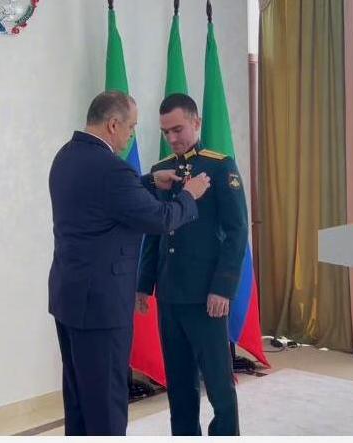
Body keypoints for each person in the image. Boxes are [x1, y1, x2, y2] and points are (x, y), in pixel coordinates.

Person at [48, 90, 211, 435]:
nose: (131, 136)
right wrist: (189, 194)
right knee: (106, 406)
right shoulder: (111, 169)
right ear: (113, 124)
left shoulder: (66, 156)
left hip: (69, 298)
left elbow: (100, 199)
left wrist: (148, 181)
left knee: (79, 402)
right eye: (132, 127)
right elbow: (160, 219)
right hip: (101, 307)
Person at [136, 93, 248, 436]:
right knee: (180, 384)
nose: (172, 138)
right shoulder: (161, 171)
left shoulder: (219, 166)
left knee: (218, 384)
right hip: (170, 293)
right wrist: (144, 284)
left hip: (206, 295)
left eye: (178, 129)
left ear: (196, 123)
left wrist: (223, 288)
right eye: (166, 132)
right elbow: (155, 231)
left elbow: (236, 231)